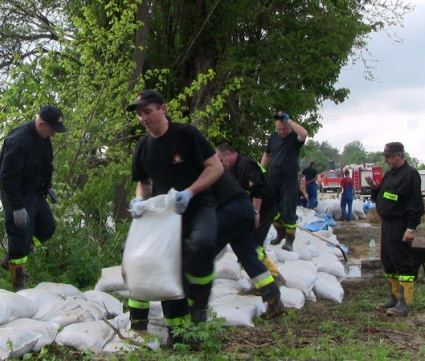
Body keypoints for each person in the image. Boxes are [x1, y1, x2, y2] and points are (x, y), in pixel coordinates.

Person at [126, 172, 286, 341]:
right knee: (248, 256)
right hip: (243, 208)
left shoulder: (179, 174)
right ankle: (274, 299)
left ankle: (187, 322)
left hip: (227, 210)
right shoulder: (196, 166)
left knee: (192, 261)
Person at [126, 89, 223, 347]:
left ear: (163, 109)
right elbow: (144, 183)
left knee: (200, 246)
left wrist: (189, 192)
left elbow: (216, 167)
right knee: (164, 267)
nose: (143, 118)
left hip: (197, 206)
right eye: (139, 114)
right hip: (166, 216)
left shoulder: (186, 135)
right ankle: (178, 334)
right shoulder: (143, 147)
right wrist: (139, 201)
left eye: (148, 111)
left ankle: (198, 309)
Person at [0, 105, 66, 291]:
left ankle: (11, 259)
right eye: (52, 130)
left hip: (35, 191)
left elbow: (46, 163)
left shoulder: (43, 137)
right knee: (19, 235)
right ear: (41, 123)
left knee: (47, 227)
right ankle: (18, 283)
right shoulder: (18, 140)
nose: (53, 134)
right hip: (16, 193)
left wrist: (48, 185)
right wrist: (17, 206)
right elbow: (7, 177)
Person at [366, 142, 424, 316]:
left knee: (402, 261)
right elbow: (383, 197)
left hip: (401, 223)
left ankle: (404, 303)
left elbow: (415, 204)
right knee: (388, 260)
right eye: (385, 157)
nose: (386, 160)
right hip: (388, 223)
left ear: (399, 155)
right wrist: (375, 189)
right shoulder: (390, 175)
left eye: (389, 157)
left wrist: (411, 228)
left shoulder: (410, 174)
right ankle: (394, 297)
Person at [216, 143, 284, 284]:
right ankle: (267, 278)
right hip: (250, 208)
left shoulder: (246, 165)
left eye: (222, 161)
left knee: (253, 246)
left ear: (228, 154)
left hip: (264, 208)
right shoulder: (232, 169)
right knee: (250, 245)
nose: (222, 165)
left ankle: (274, 277)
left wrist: (256, 212)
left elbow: (257, 189)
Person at [261, 111, 309, 251]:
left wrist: (289, 121)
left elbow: (304, 134)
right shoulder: (273, 137)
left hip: (289, 178)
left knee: (289, 210)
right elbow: (267, 154)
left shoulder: (294, 137)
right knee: (270, 207)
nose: (282, 132)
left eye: (284, 129)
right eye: (279, 129)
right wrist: (261, 171)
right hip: (274, 176)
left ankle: (289, 240)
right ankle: (280, 232)